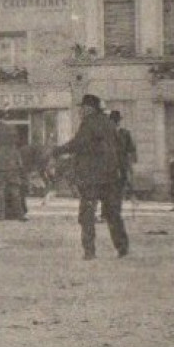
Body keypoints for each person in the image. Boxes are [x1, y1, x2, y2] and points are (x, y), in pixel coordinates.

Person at [54, 94, 129, 260]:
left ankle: (89, 251)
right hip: (111, 176)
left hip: (92, 176)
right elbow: (121, 149)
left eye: (82, 108)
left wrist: (57, 150)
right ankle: (122, 247)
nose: (80, 111)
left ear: (89, 108)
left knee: (87, 214)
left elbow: (78, 144)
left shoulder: (89, 123)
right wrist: (122, 173)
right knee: (113, 214)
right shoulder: (110, 123)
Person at [109, 110, 138, 201]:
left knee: (121, 186)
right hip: (109, 164)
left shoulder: (125, 133)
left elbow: (132, 149)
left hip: (122, 164)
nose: (116, 122)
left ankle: (117, 207)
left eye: (117, 120)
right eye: (113, 120)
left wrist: (131, 162)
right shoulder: (106, 133)